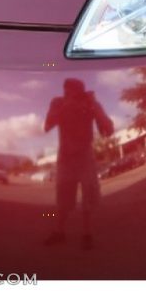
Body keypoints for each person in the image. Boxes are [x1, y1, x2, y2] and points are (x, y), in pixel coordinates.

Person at [44, 78, 113, 249]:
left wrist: (95, 107)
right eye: (67, 90)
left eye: (74, 91)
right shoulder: (58, 102)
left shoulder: (89, 104)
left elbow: (108, 131)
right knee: (63, 197)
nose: (70, 94)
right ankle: (59, 232)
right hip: (66, 156)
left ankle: (86, 234)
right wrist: (67, 105)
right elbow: (47, 126)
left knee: (88, 193)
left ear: (81, 91)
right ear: (64, 91)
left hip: (85, 155)